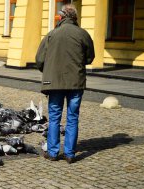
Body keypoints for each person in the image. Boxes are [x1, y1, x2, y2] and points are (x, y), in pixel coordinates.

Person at [35, 4, 95, 164]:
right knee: (73, 117)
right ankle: (70, 154)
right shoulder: (83, 34)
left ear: (61, 17)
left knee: (54, 117)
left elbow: (39, 60)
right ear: (75, 17)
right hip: (76, 82)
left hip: (54, 83)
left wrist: (48, 70)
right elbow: (90, 57)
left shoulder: (51, 34)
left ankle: (53, 153)